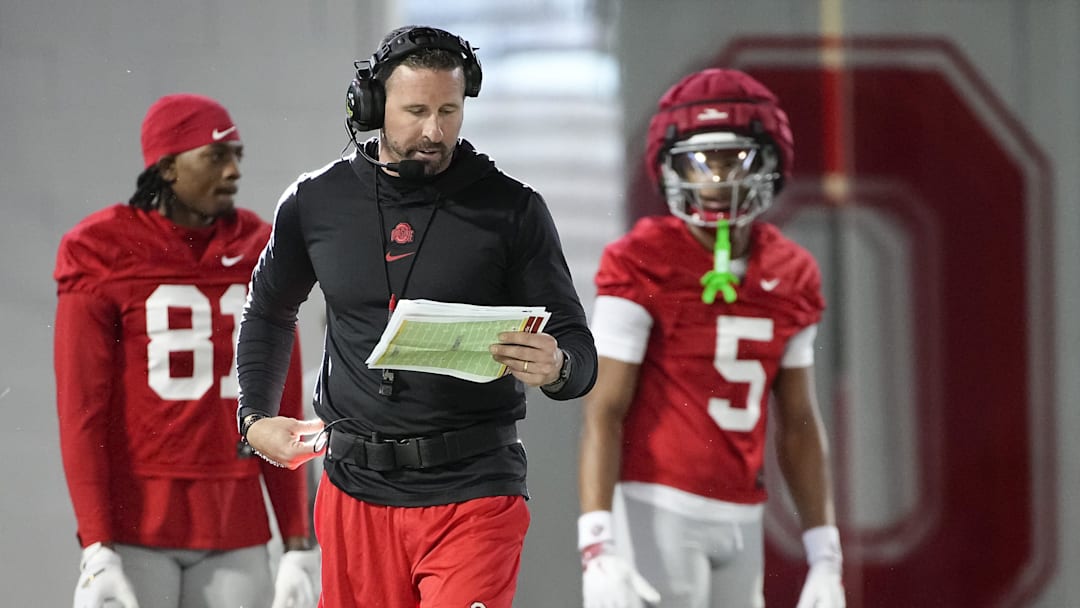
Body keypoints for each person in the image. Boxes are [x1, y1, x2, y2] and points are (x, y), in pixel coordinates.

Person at [234, 24, 597, 608]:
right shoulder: (314, 202)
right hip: (354, 492)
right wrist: (254, 416)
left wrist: (558, 366)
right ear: (373, 106)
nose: (435, 130)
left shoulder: (513, 208)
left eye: (450, 110)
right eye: (416, 110)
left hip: (475, 490)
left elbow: (578, 350)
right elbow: (270, 312)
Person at [577, 68, 846, 608]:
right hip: (659, 503)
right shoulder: (642, 260)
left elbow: (798, 421)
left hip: (744, 510)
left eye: (734, 158)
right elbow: (604, 410)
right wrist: (596, 542)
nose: (718, 178)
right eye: (701, 161)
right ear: (672, 165)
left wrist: (826, 552)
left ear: (770, 161)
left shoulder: (792, 272)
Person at [53, 93, 321, 608]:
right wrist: (96, 545)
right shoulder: (101, 249)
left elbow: (282, 402)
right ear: (168, 167)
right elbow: (81, 412)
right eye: (217, 156)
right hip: (138, 525)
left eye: (238, 155)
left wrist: (297, 540)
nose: (234, 171)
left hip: (234, 521)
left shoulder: (259, 246)